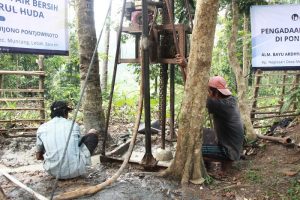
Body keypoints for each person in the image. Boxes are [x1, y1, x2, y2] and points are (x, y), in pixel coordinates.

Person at [175, 54, 244, 172]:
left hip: (229, 152)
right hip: (233, 147)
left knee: (191, 148)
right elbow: (198, 88)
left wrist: (186, 66)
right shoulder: (230, 100)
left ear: (216, 93)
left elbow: (194, 91)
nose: (207, 93)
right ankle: (211, 166)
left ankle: (207, 168)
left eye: (209, 91)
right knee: (205, 133)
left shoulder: (219, 104)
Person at [36, 100, 99, 179]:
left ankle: (57, 166)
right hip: (76, 170)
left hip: (53, 172)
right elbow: (77, 145)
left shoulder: (42, 128)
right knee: (92, 132)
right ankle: (76, 164)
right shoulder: (73, 125)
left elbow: (38, 156)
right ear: (65, 112)